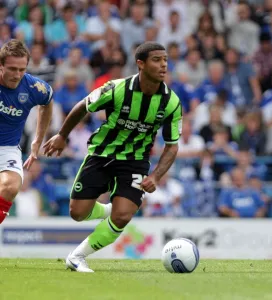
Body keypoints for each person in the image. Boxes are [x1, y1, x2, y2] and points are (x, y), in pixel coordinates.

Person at [43, 42, 182, 272]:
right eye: (157, 60)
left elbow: (172, 145)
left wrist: (156, 176)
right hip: (102, 154)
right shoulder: (116, 89)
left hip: (135, 161)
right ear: (141, 63)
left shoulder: (171, 102)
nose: (163, 65)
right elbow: (83, 106)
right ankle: (109, 209)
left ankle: (77, 256)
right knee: (77, 213)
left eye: (165, 60)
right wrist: (62, 135)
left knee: (123, 216)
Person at [0, 39, 53, 224]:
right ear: (1, 66)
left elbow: (47, 103)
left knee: (11, 185)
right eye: (12, 69)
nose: (17, 74)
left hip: (7, 149)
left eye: (22, 69)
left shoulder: (35, 88)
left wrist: (37, 140)